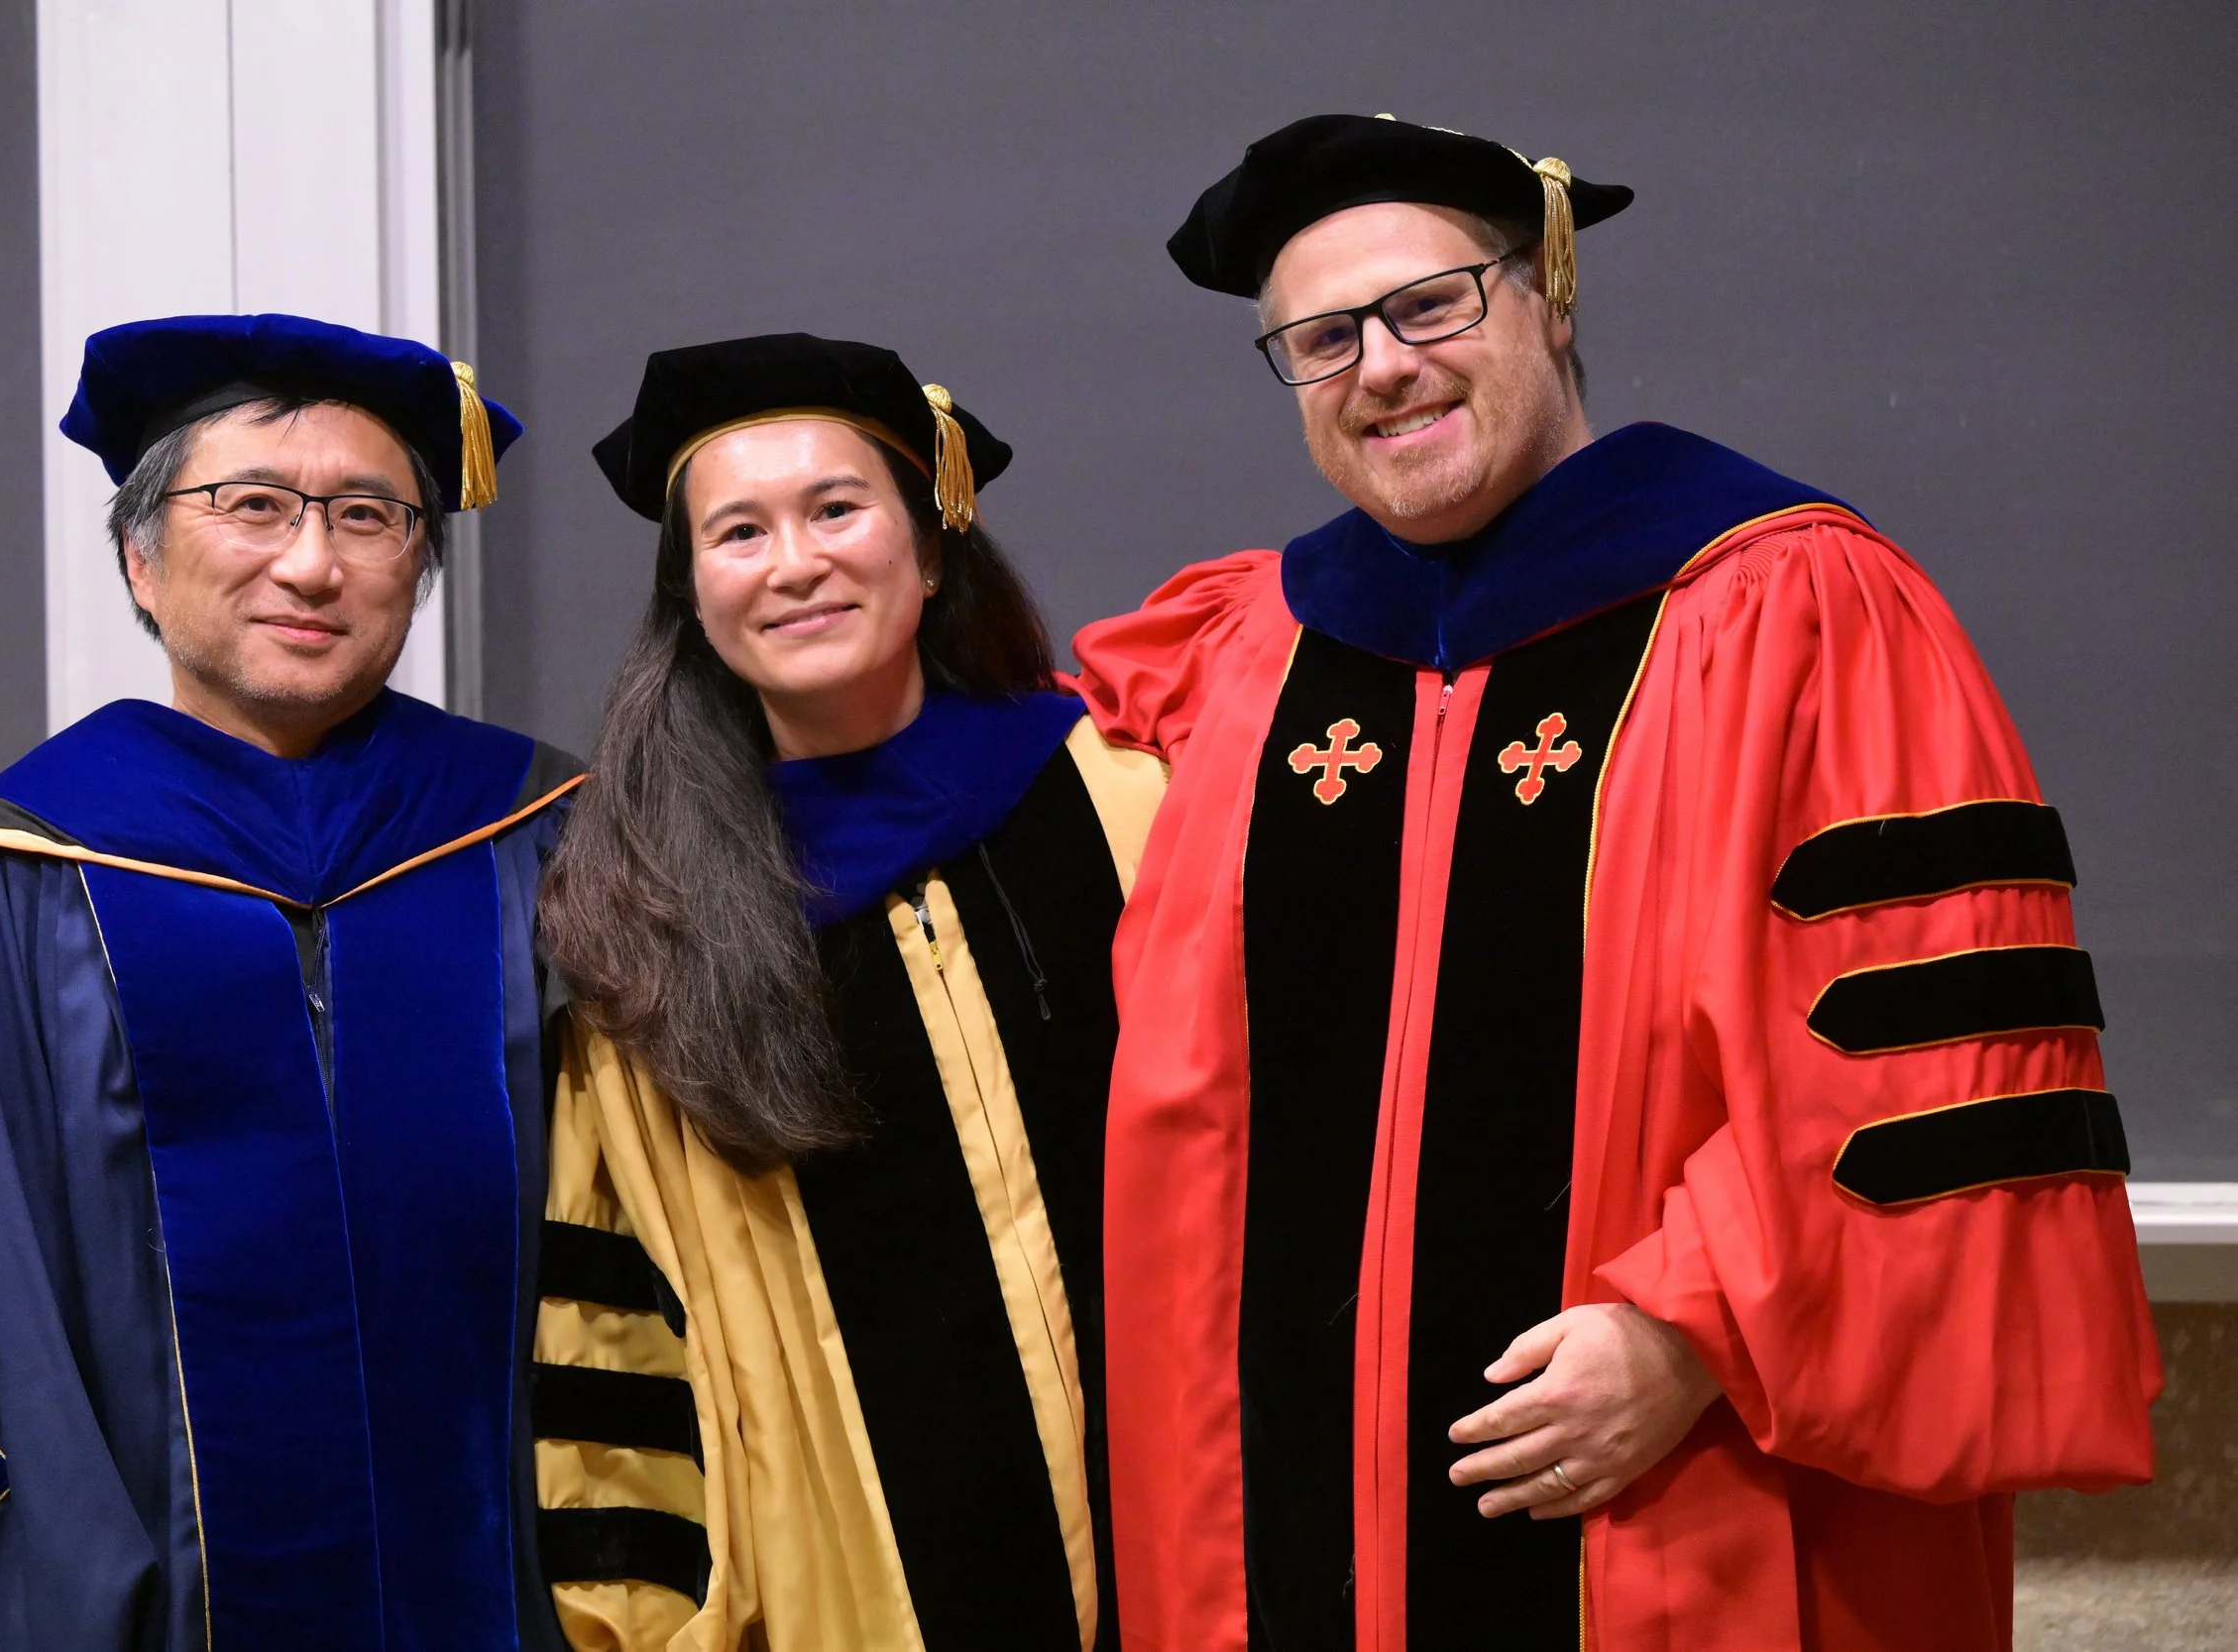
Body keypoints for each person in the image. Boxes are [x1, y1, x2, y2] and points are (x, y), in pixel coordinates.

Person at [1070, 115, 2158, 1652]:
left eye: (1432, 302)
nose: (1382, 365)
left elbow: (1936, 1039)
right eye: (1321, 340)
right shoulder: (1256, 657)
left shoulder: (1797, 607)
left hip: (1682, 1484)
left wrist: (1698, 1327)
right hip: (1290, 1516)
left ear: (1549, 295)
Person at [0, 314, 582, 1651]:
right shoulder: (13, 878)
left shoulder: (541, 839)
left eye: (369, 515)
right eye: (252, 504)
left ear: (417, 563)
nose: (310, 561)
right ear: (142, 559)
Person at [528, 333, 1161, 1651]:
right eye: (739, 532)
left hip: (1184, 1539)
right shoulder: (646, 925)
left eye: (836, 508)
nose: (796, 561)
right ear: (694, 594)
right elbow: (612, 1335)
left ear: (928, 552)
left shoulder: (1124, 797)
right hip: (842, 1598)